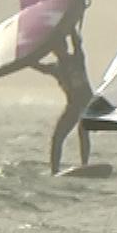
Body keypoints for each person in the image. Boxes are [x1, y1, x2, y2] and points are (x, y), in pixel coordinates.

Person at [28, 29, 92, 174]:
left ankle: (85, 165)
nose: (59, 51)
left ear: (65, 46)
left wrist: (71, 26)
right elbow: (37, 66)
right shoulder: (56, 68)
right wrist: (24, 58)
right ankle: (54, 171)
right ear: (54, 51)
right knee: (57, 138)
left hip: (86, 102)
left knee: (83, 131)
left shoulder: (77, 58)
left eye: (61, 47)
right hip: (73, 105)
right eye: (56, 49)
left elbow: (77, 43)